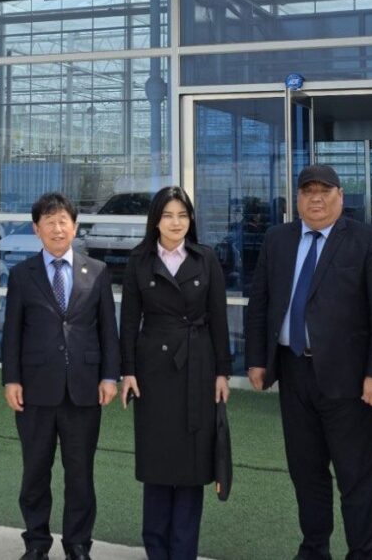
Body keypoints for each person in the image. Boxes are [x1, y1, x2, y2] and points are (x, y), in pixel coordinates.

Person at [245, 164, 372, 560]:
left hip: (349, 380)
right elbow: (260, 302)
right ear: (297, 198)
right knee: (306, 471)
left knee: (355, 475)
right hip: (293, 371)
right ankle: (314, 549)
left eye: (324, 190)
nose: (316, 198)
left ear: (340, 196)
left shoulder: (368, 239)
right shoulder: (277, 239)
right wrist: (257, 360)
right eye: (307, 191)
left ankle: (361, 552)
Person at [1, 193, 120, 560]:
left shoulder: (96, 271)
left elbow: (108, 330)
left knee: (80, 473)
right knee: (35, 472)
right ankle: (37, 543)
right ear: (36, 229)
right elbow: (12, 332)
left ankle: (78, 544)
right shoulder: (22, 274)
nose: (57, 228)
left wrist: (109, 377)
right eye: (49, 222)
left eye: (63, 221)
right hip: (35, 390)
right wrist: (11, 379)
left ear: (75, 226)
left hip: (84, 389)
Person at [119, 186, 231, 560]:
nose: (176, 222)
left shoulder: (206, 258)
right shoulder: (139, 260)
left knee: (192, 466)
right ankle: (156, 549)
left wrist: (222, 372)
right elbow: (129, 320)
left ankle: (183, 552)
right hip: (153, 371)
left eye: (182, 215)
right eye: (168, 215)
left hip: (198, 367)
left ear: (191, 220)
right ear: (155, 220)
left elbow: (218, 319)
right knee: (156, 463)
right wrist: (128, 371)